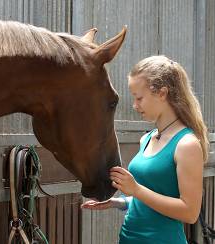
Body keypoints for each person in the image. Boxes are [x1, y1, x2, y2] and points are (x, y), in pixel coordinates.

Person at [81, 55, 208, 244]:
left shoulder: (186, 145)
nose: (135, 105)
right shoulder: (147, 138)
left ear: (162, 93)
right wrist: (120, 202)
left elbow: (189, 212)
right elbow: (154, 198)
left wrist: (136, 190)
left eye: (139, 98)